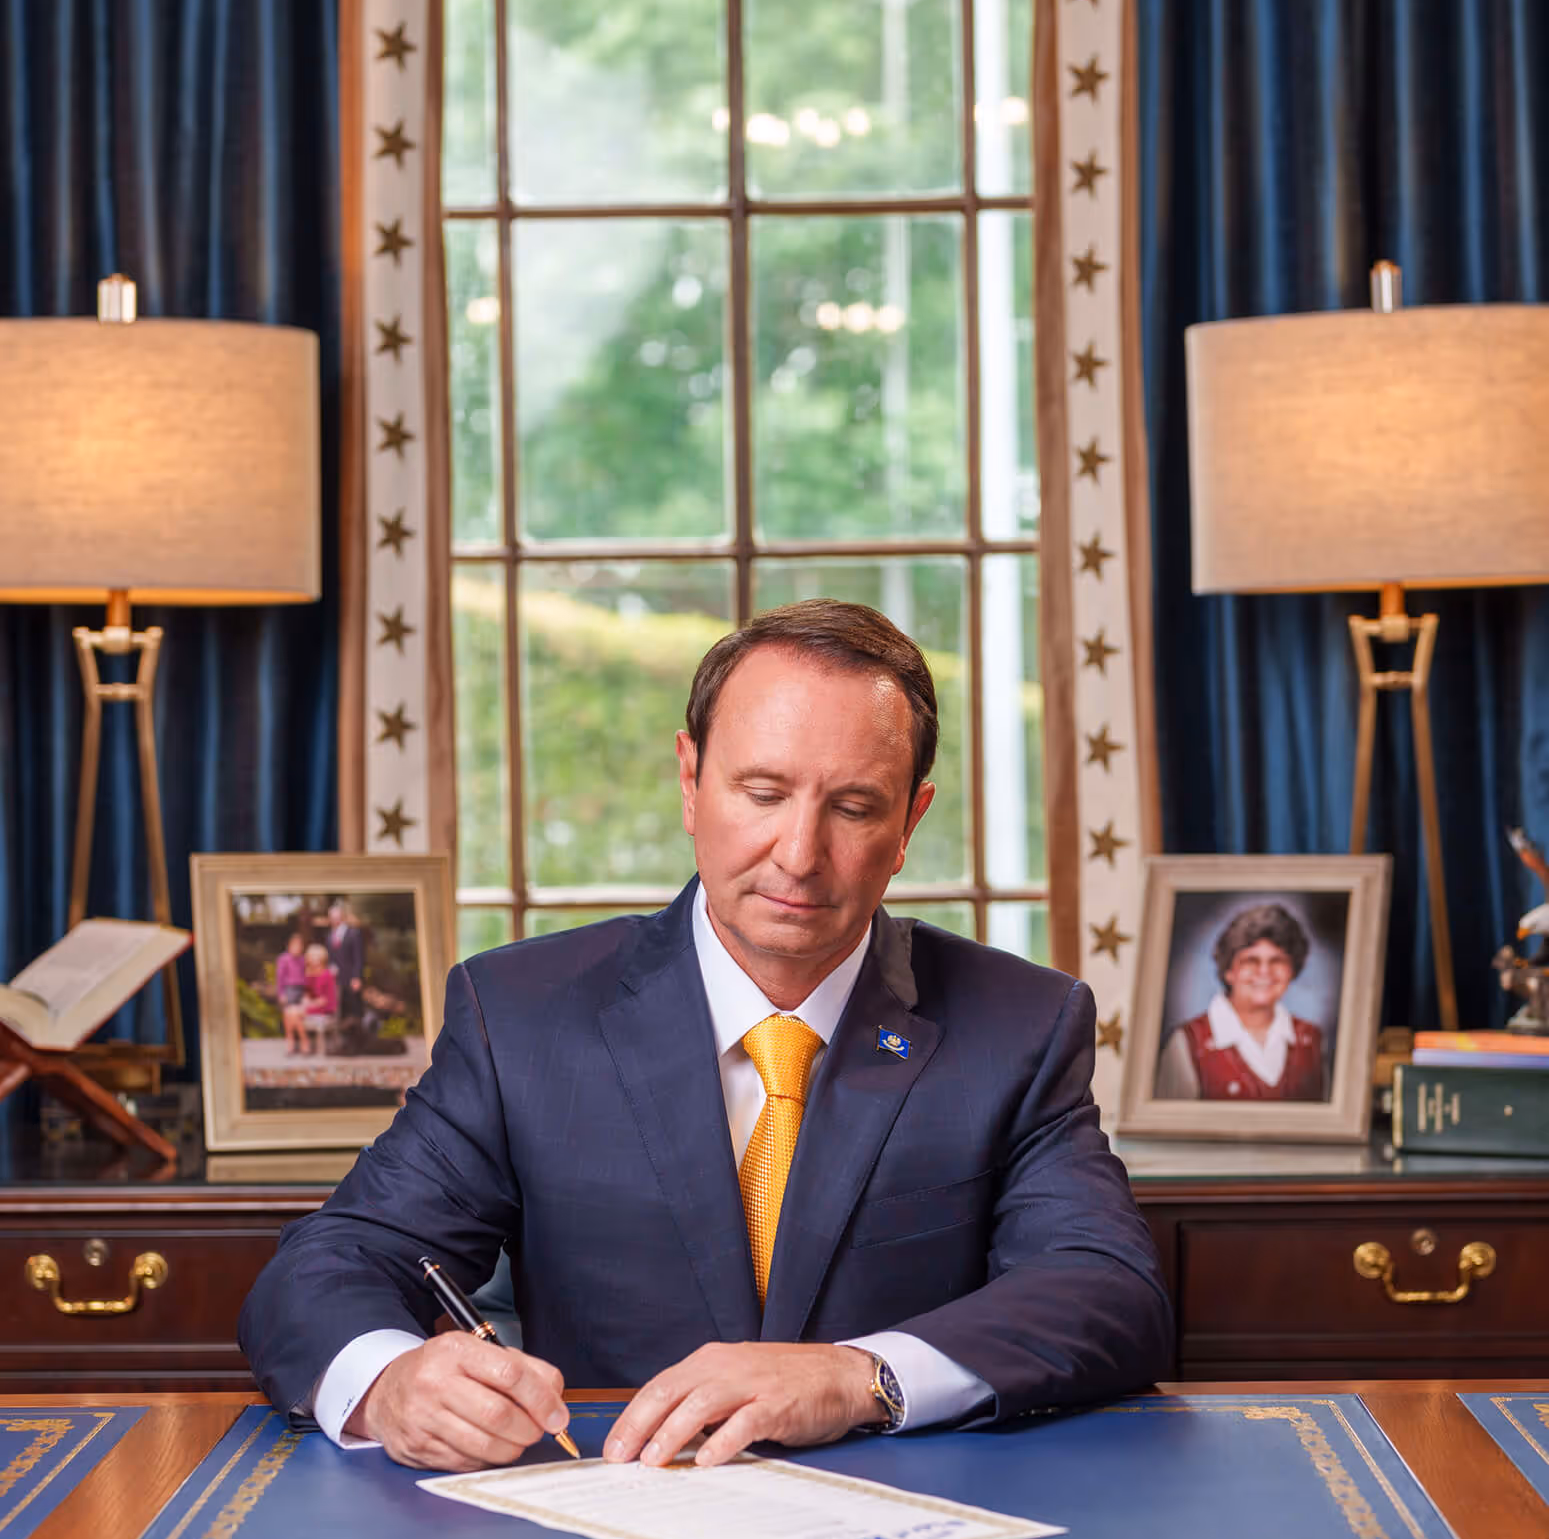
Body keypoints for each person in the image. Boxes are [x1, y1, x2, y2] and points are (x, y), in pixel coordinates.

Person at [240, 601, 1171, 1473]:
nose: (798, 855)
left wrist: (858, 1375)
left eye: (852, 808)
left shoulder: (1020, 1022)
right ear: (690, 781)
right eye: (760, 792)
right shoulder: (520, 1011)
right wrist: (392, 1381)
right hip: (609, 1535)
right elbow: (330, 1265)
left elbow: (1106, 1290)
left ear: (908, 824)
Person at [1153, 902, 1327, 1102]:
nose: (1264, 972)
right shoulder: (1187, 1044)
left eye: (1277, 961)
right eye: (1250, 961)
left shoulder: (1313, 1041)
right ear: (1228, 971)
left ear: (1292, 970)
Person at [327, 901, 367, 1054]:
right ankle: (345, 1044)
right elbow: (332, 957)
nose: (334, 919)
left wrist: (357, 977)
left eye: (336, 916)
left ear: (342, 917)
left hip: (352, 979)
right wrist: (331, 967)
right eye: (331, 917)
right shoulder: (330, 935)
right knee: (342, 1012)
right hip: (338, 981)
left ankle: (359, 1043)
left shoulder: (353, 933)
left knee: (355, 1011)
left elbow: (359, 957)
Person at [275, 932, 309, 1056]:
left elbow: (307, 978)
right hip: (289, 990)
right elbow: (280, 978)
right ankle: (293, 1041)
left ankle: (300, 1041)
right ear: (289, 946)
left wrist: (306, 994)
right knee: (288, 1016)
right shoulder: (283, 959)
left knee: (294, 1015)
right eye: (294, 945)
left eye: (299, 945)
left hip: (300, 990)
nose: (297, 948)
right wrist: (281, 994)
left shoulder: (303, 960)